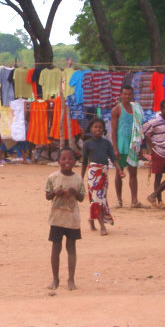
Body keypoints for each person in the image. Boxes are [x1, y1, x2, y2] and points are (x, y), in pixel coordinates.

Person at [45, 148, 85, 291]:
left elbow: (82, 197)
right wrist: (56, 193)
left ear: (74, 161)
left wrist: (75, 193)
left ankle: (71, 279)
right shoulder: (53, 177)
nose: (67, 161)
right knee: (56, 249)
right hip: (57, 219)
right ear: (58, 161)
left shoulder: (78, 179)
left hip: (72, 220)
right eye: (63, 159)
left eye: (70, 159)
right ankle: (55, 279)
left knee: (71, 248)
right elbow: (47, 196)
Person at [81, 118, 125, 235]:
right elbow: (84, 162)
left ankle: (91, 219)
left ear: (103, 130)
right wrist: (80, 178)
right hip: (93, 176)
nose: (98, 129)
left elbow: (113, 159)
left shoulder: (107, 143)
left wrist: (120, 171)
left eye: (100, 127)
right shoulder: (87, 144)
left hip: (104, 175)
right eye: (95, 127)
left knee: (100, 200)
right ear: (91, 129)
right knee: (97, 200)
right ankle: (102, 226)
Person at [111, 84, 146, 208]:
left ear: (132, 95)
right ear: (121, 95)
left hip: (133, 146)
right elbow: (113, 131)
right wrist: (114, 148)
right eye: (125, 94)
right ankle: (119, 200)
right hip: (121, 146)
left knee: (133, 174)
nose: (127, 96)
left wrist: (140, 148)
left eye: (129, 94)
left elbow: (139, 130)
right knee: (118, 174)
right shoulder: (116, 110)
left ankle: (134, 200)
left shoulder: (136, 109)